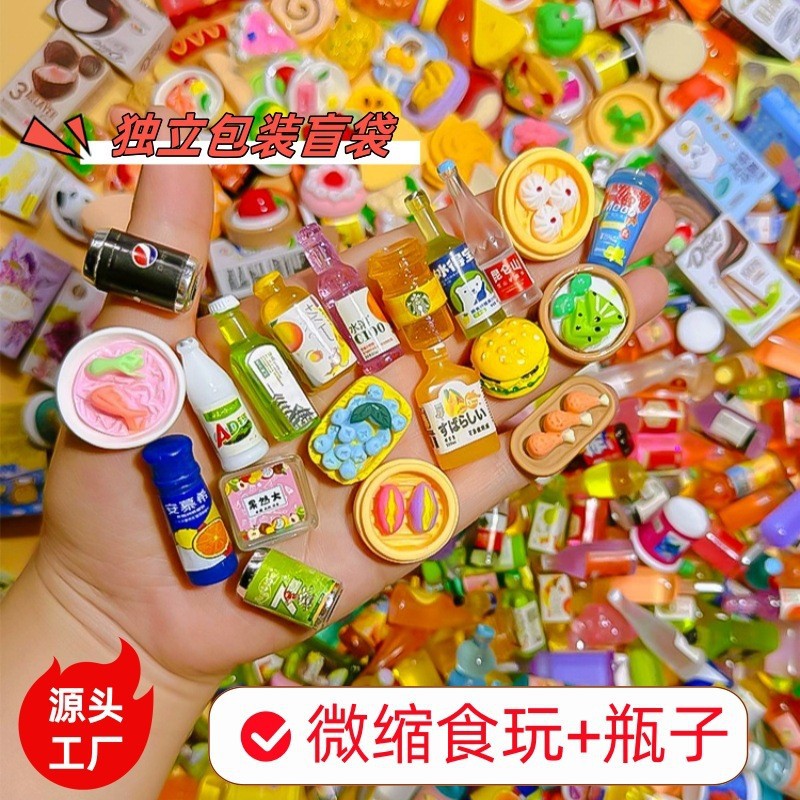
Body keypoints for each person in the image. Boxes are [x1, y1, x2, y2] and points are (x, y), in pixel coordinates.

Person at [0, 110, 673, 798]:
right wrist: (99, 613)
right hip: (290, 466)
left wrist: (100, 622)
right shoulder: (234, 381)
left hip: (345, 432)